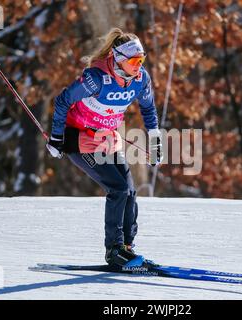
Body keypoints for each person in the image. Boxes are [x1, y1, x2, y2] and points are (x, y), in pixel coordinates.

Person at [46, 28, 163, 267]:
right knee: (118, 188)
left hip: (108, 138)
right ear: (119, 58)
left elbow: (148, 109)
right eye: (134, 61)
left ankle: (127, 248)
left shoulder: (141, 79)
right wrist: (57, 138)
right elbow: (63, 100)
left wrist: (154, 142)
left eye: (142, 60)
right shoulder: (96, 79)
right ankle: (114, 250)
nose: (138, 65)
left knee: (129, 191)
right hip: (80, 140)